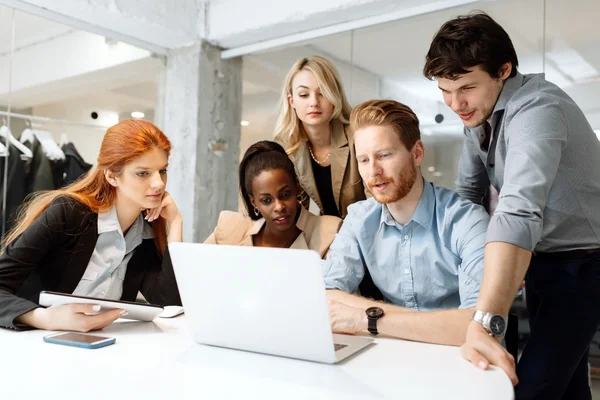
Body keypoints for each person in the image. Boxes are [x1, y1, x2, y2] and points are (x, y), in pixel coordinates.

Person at [424, 11, 600, 398]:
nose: (455, 103)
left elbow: (518, 209)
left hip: (585, 264)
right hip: (542, 260)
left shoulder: (539, 109)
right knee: (568, 386)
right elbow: (468, 196)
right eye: (445, 91)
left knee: (529, 387)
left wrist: (485, 322)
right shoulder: (479, 115)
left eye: (466, 87)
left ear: (503, 70)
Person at [323, 99, 490, 346]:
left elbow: (481, 326)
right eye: (364, 160)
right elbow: (327, 298)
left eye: (384, 155)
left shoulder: (467, 221)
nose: (373, 172)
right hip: (396, 357)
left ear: (417, 153)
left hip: (460, 361)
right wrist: (433, 324)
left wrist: (366, 319)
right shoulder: (359, 219)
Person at [0, 119, 183, 332]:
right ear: (112, 176)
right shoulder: (68, 213)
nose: (159, 183)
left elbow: (170, 303)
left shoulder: (147, 232)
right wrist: (44, 318)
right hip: (34, 345)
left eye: (162, 171)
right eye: (143, 173)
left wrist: (175, 223)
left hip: (103, 349)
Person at [204, 140, 340, 258]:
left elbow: (338, 287)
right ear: (254, 202)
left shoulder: (329, 232)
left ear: (297, 188)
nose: (279, 207)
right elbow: (189, 273)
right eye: (266, 200)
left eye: (285, 194)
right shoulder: (230, 228)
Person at [274, 55, 366, 219]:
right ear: (291, 101)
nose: (314, 102)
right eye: (304, 95)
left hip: (368, 234)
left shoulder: (359, 136)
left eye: (322, 93)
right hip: (328, 237)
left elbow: (378, 203)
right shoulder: (291, 151)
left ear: (334, 96)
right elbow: (297, 214)